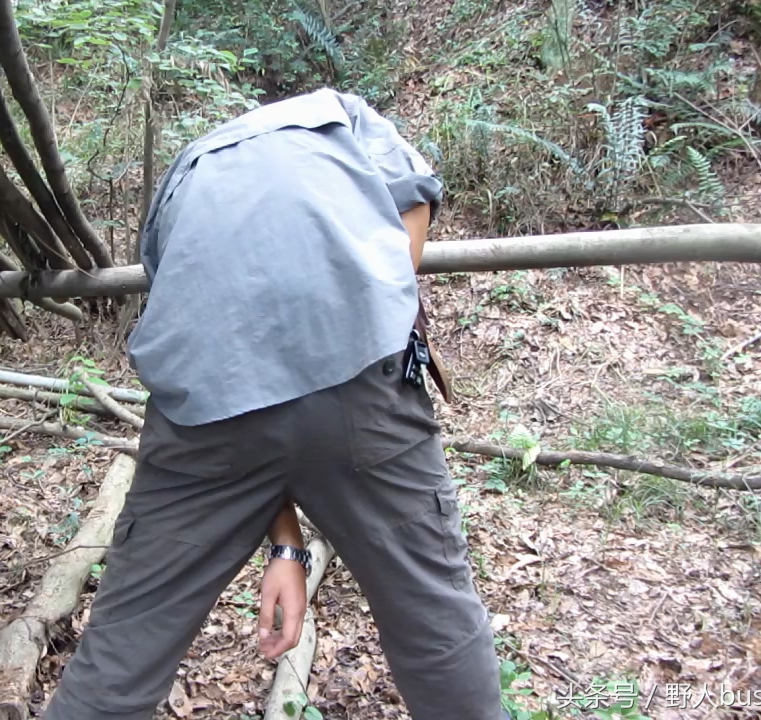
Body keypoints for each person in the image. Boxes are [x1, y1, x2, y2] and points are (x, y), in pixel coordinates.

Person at [42, 87, 507, 720]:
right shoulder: (344, 116)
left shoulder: (192, 166)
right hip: (361, 398)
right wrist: (374, 312)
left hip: (203, 419)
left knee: (124, 652)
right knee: (435, 620)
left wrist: (286, 545)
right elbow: (414, 195)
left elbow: (242, 375)